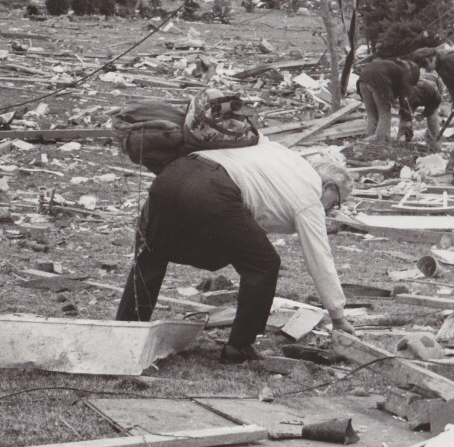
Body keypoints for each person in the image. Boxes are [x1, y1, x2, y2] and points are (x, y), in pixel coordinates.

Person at [117, 139, 355, 363]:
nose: (329, 211)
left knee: (153, 255)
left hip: (172, 175)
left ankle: (124, 332)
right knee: (265, 264)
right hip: (214, 190)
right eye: (334, 203)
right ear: (329, 186)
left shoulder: (285, 157)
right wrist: (338, 316)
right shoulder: (309, 195)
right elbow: (320, 257)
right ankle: (239, 346)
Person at [355, 58, 425, 142]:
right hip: (378, 81)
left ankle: (369, 143)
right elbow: (404, 99)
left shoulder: (393, 65)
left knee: (372, 116)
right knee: (384, 114)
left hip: (362, 81)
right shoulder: (407, 73)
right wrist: (406, 117)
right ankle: (381, 143)